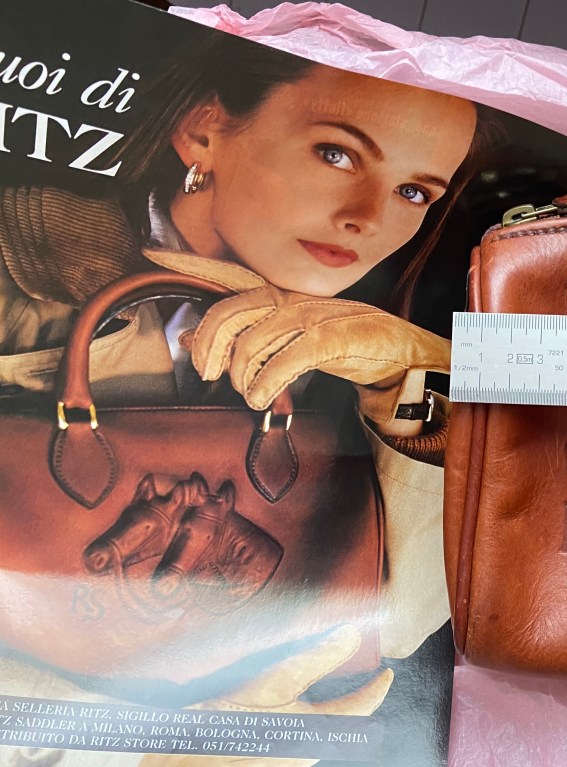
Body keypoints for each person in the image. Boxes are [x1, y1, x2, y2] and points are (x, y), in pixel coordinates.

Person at [0, 28, 488, 752]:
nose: (368, 216)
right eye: (337, 153)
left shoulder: (356, 352)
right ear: (201, 129)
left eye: (413, 192)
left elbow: (396, 624)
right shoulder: (20, 267)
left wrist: (413, 374)